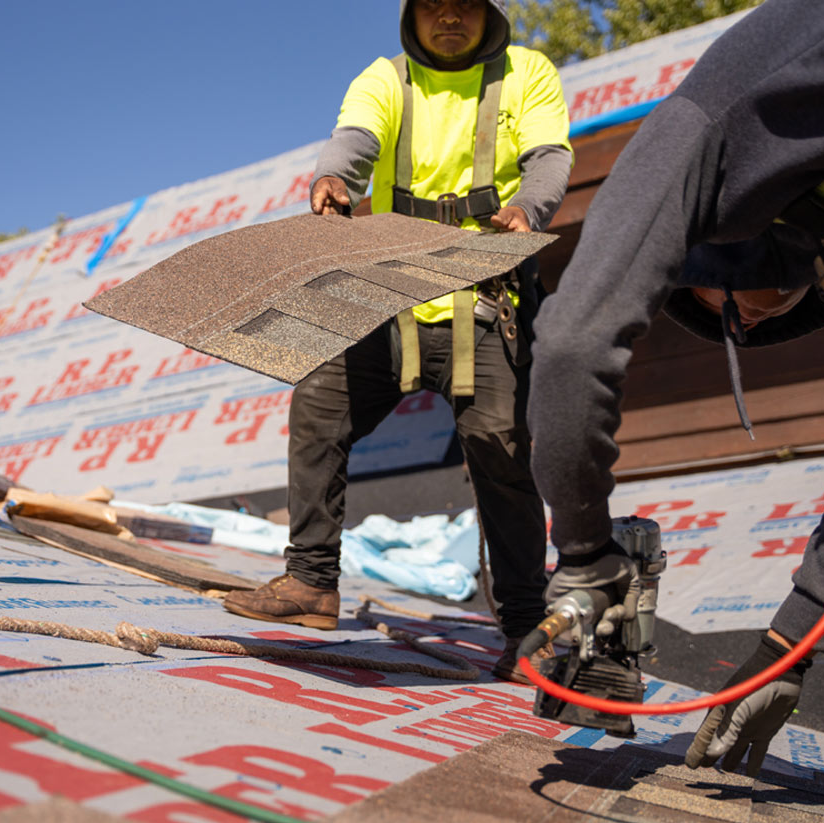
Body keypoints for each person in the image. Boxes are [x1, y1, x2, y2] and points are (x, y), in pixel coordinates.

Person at [525, 0, 824, 773]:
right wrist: (790, 645)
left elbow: (573, 344)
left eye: (717, 313)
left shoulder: (703, 128)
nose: (741, 329)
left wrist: (585, 556)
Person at [221, 0, 573, 682]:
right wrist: (331, 181)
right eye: (434, 4)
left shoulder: (526, 72)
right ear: (413, 16)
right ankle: (312, 584)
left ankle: (529, 630)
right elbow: (352, 141)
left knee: (498, 453)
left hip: (482, 298)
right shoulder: (386, 78)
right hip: (390, 295)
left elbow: (550, 159)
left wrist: (528, 208)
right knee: (319, 408)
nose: (450, 16)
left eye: (466, 4)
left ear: (488, 14)